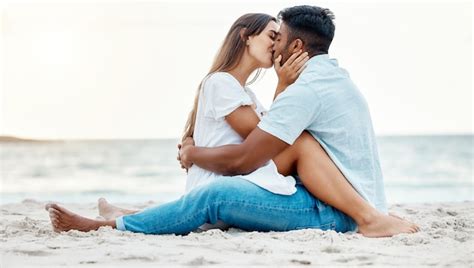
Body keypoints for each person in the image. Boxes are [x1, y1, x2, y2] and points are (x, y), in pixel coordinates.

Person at [46, 7, 418, 237]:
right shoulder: (332, 78)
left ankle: (112, 227)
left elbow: (246, 158)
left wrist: (192, 153)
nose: (275, 48)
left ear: (298, 48)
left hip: (336, 211)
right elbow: (271, 142)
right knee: (235, 184)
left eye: (280, 38)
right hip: (349, 202)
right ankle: (130, 215)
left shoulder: (305, 91)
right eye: (270, 38)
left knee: (217, 195)